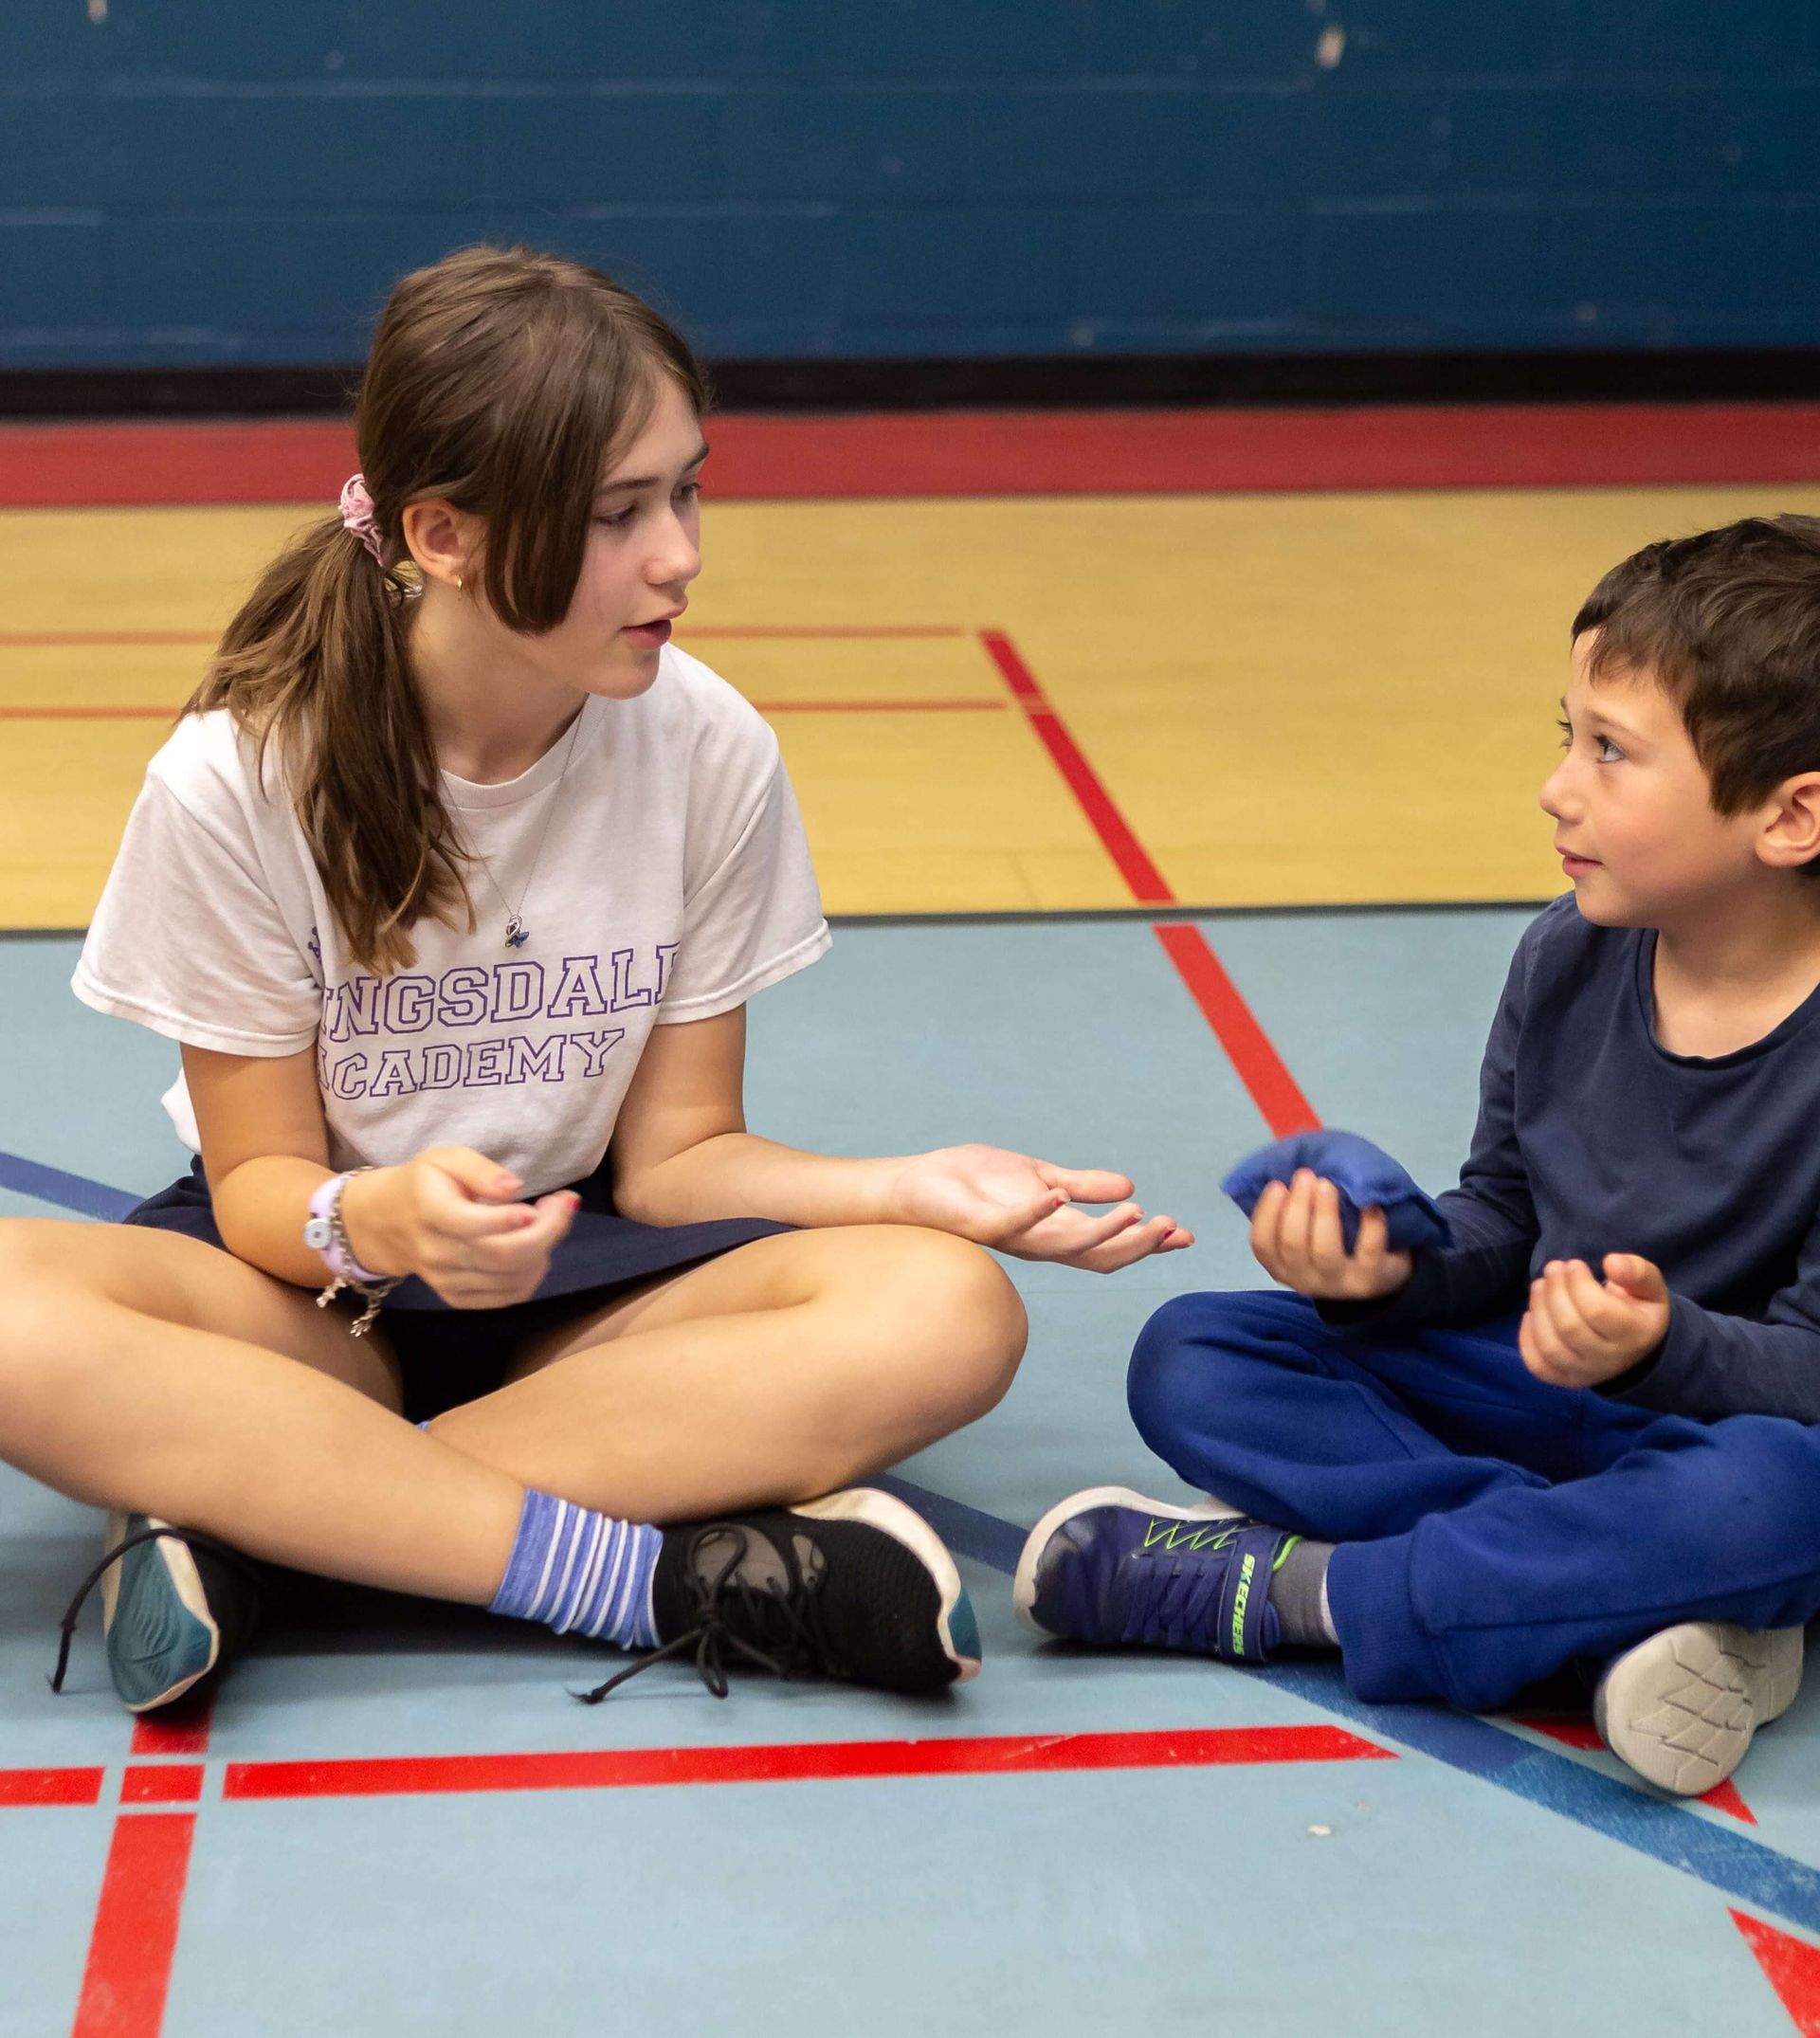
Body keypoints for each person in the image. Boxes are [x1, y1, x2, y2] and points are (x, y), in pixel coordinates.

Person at [4, 244, 1191, 1716]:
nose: (679, 553)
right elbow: (260, 1194)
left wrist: (911, 1187)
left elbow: (683, 1161)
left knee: (952, 1307)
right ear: (442, 534)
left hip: (589, 1300)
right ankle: (641, 1573)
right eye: (619, 513)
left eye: (686, 490)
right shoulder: (239, 776)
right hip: (317, 1298)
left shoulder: (707, 748)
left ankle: (264, 1517)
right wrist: (380, 1217)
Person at [1017, 515, 1820, 1796]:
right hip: (1551, 1409)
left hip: (1738, 1426)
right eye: (1568, 737)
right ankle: (1616, 1595)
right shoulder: (1568, 955)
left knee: (1776, 1496)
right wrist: (1382, 1265)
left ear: (1790, 816)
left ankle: (1316, 1595)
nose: (1559, 787)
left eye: (1613, 753)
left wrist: (1660, 1346)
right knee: (1201, 1353)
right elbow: (1504, 1213)